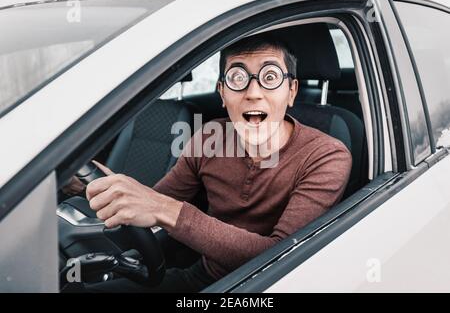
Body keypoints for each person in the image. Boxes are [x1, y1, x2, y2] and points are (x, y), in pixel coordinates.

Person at [73, 33, 352, 292]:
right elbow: (157, 201)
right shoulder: (209, 138)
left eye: (270, 77)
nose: (253, 93)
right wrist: (98, 190)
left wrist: (166, 210)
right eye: (238, 78)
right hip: (202, 278)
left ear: (291, 91)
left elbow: (279, 258)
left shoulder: (326, 155)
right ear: (221, 92)